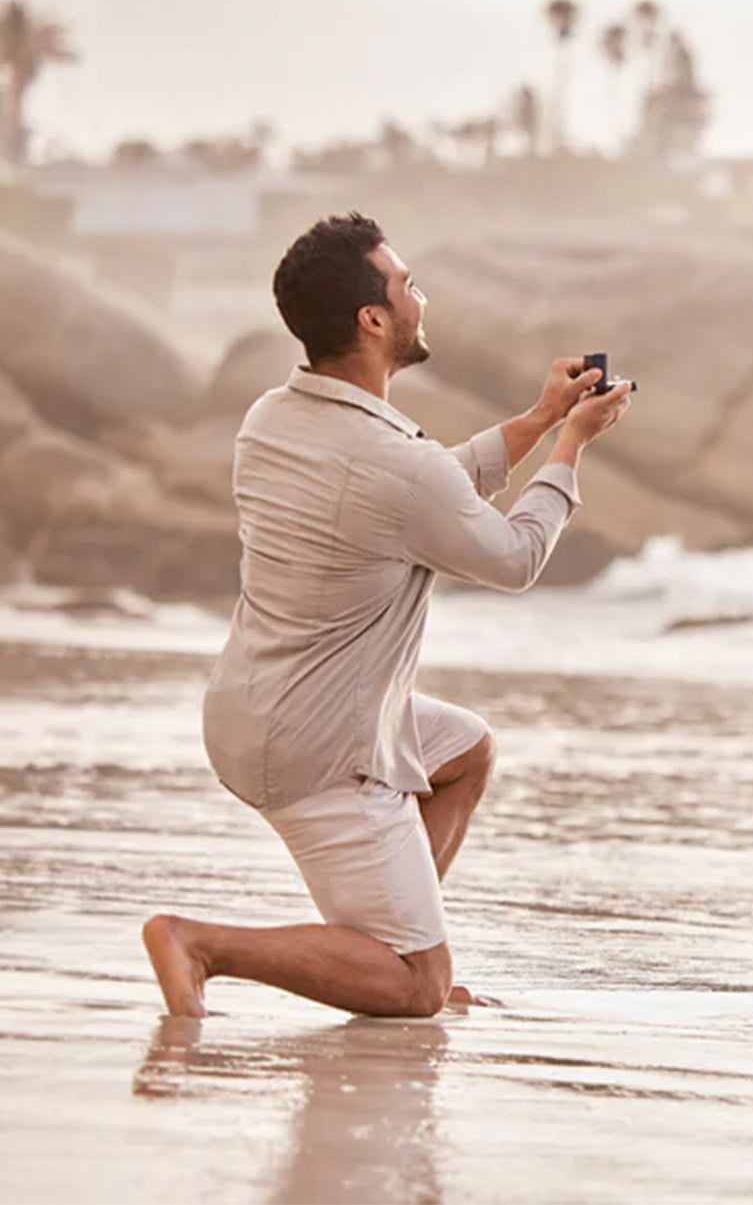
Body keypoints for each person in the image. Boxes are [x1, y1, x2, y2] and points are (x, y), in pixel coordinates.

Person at [143, 212, 631, 1018]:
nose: (420, 298)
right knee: (417, 989)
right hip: (319, 745)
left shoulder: (272, 420)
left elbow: (422, 487)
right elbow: (510, 558)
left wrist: (543, 418)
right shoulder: (392, 463)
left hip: (251, 709)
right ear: (373, 319)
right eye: (407, 285)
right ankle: (216, 944)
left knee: (464, 750)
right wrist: (570, 449)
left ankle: (386, 938)